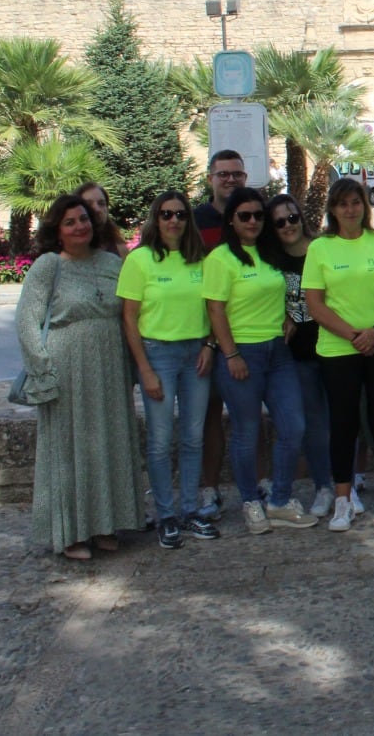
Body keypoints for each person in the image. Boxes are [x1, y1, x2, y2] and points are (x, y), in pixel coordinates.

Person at [17, 194, 143, 560]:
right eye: (70, 221)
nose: (80, 226)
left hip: (110, 366)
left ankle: (106, 524)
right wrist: (42, 369)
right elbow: (27, 320)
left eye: (84, 219)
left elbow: (132, 312)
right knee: (68, 450)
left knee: (110, 442)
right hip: (67, 368)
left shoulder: (111, 262)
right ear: (57, 229)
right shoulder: (47, 266)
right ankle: (71, 532)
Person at [203, 187, 317, 534]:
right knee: (246, 432)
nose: (253, 221)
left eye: (258, 215)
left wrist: (288, 317)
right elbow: (215, 309)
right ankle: (251, 502)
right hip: (242, 353)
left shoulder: (270, 253)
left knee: (293, 426)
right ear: (232, 220)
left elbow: (286, 291)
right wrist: (231, 353)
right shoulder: (221, 259)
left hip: (278, 351)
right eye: (245, 216)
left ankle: (280, 499)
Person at [117, 189, 218, 550]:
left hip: (196, 354)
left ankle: (190, 510)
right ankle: (165, 515)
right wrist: (144, 368)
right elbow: (129, 318)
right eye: (166, 214)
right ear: (155, 219)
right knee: (160, 441)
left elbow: (213, 308)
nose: (173, 220)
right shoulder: (140, 260)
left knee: (193, 437)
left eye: (179, 214)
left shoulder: (200, 260)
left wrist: (209, 345)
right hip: (157, 353)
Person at [302, 178, 374, 531]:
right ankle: (343, 500)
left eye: (356, 202)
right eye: (343, 204)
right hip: (337, 349)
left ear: (366, 206)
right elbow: (315, 305)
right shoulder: (320, 248)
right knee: (343, 424)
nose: (351, 210)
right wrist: (353, 336)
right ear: (333, 209)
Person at [263, 192, 335, 520]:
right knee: (314, 424)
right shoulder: (272, 260)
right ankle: (324, 486)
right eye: (279, 221)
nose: (288, 225)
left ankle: (349, 483)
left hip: (333, 344)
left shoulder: (322, 248)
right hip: (298, 353)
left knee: (345, 418)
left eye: (292, 217)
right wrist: (282, 314)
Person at [194, 150, 247, 519]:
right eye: (223, 174)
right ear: (210, 177)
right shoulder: (196, 221)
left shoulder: (254, 213)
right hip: (207, 339)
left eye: (237, 174)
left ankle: (254, 488)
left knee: (250, 419)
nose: (230, 180)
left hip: (251, 333)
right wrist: (209, 341)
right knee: (209, 418)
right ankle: (208, 490)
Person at [77, 182, 130, 259]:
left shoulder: (121, 250)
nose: (97, 209)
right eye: (88, 204)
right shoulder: (64, 254)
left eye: (101, 203)